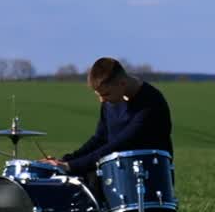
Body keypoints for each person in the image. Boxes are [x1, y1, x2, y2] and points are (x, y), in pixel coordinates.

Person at [48, 58, 173, 189]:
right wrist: (65, 160)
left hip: (149, 181)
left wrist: (71, 166)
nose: (102, 100)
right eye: (99, 95)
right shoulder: (111, 100)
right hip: (116, 178)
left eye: (106, 94)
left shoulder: (151, 103)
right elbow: (100, 139)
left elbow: (121, 145)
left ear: (122, 83)